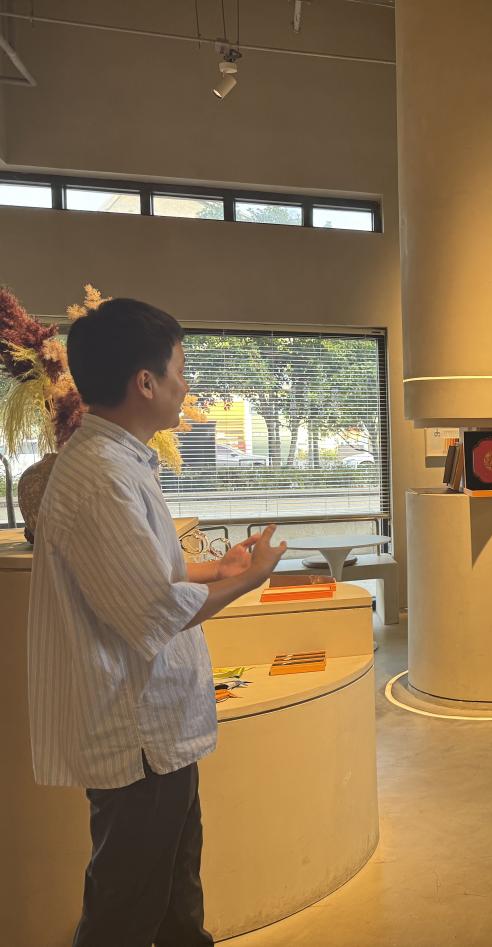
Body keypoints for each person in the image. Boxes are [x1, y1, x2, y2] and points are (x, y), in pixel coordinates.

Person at [27, 298, 289, 947]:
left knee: (174, 900)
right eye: (180, 370)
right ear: (145, 382)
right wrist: (249, 578)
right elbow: (152, 610)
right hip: (137, 736)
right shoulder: (101, 478)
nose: (186, 386)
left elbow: (144, 576)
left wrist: (219, 566)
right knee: (125, 911)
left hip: (156, 733)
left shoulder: (118, 462)